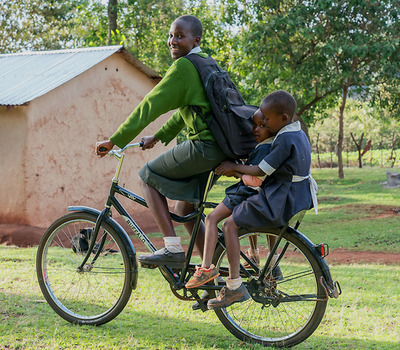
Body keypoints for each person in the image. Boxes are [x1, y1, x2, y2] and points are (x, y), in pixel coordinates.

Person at [96, 15, 227, 268]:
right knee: (185, 209)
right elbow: (187, 111)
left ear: (195, 39)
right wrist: (158, 136)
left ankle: (171, 248)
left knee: (147, 175)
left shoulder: (184, 67)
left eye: (180, 36)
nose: (172, 41)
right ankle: (213, 270)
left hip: (203, 147)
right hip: (219, 149)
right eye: (171, 35)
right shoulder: (207, 62)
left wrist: (115, 140)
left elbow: (149, 106)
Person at [187, 90, 318, 309]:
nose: (262, 124)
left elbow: (260, 170)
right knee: (234, 220)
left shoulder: (284, 139)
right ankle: (260, 264)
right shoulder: (299, 133)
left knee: (229, 225)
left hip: (280, 198)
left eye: (266, 120)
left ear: (283, 119)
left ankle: (234, 285)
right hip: (297, 195)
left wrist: (233, 167)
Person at [185, 107, 278, 292]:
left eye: (262, 126)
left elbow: (255, 177)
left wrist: (234, 169)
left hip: (244, 193)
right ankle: (257, 261)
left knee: (211, 219)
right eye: (254, 126)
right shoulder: (270, 146)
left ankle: (206, 268)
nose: (256, 130)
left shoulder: (265, 147)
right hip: (252, 194)